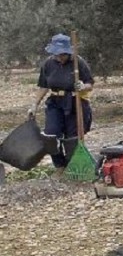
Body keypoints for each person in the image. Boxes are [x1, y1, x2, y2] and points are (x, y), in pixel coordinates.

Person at [27, 33, 94, 177]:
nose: (60, 57)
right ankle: (59, 166)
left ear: (67, 52)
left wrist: (83, 86)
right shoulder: (48, 64)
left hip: (74, 103)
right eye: (57, 54)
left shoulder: (78, 62)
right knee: (50, 136)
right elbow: (43, 86)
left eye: (62, 54)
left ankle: (73, 167)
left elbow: (90, 84)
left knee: (72, 138)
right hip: (55, 103)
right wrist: (34, 105)